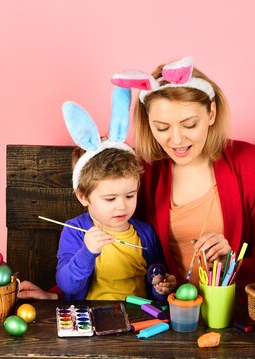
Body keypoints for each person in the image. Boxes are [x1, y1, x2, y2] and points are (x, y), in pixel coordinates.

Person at [112, 56, 255, 303]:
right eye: (162, 128)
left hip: (231, 318)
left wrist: (230, 265)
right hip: (164, 318)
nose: (177, 140)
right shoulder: (142, 171)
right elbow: (108, 237)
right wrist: (56, 294)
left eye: (190, 124)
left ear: (211, 113)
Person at [18, 86, 176, 301]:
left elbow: (156, 275)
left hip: (140, 318)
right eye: (110, 199)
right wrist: (87, 251)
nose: (122, 206)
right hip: (92, 318)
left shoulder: (145, 232)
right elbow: (68, 285)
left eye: (130, 195)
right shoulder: (76, 231)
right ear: (83, 196)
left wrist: (161, 283)